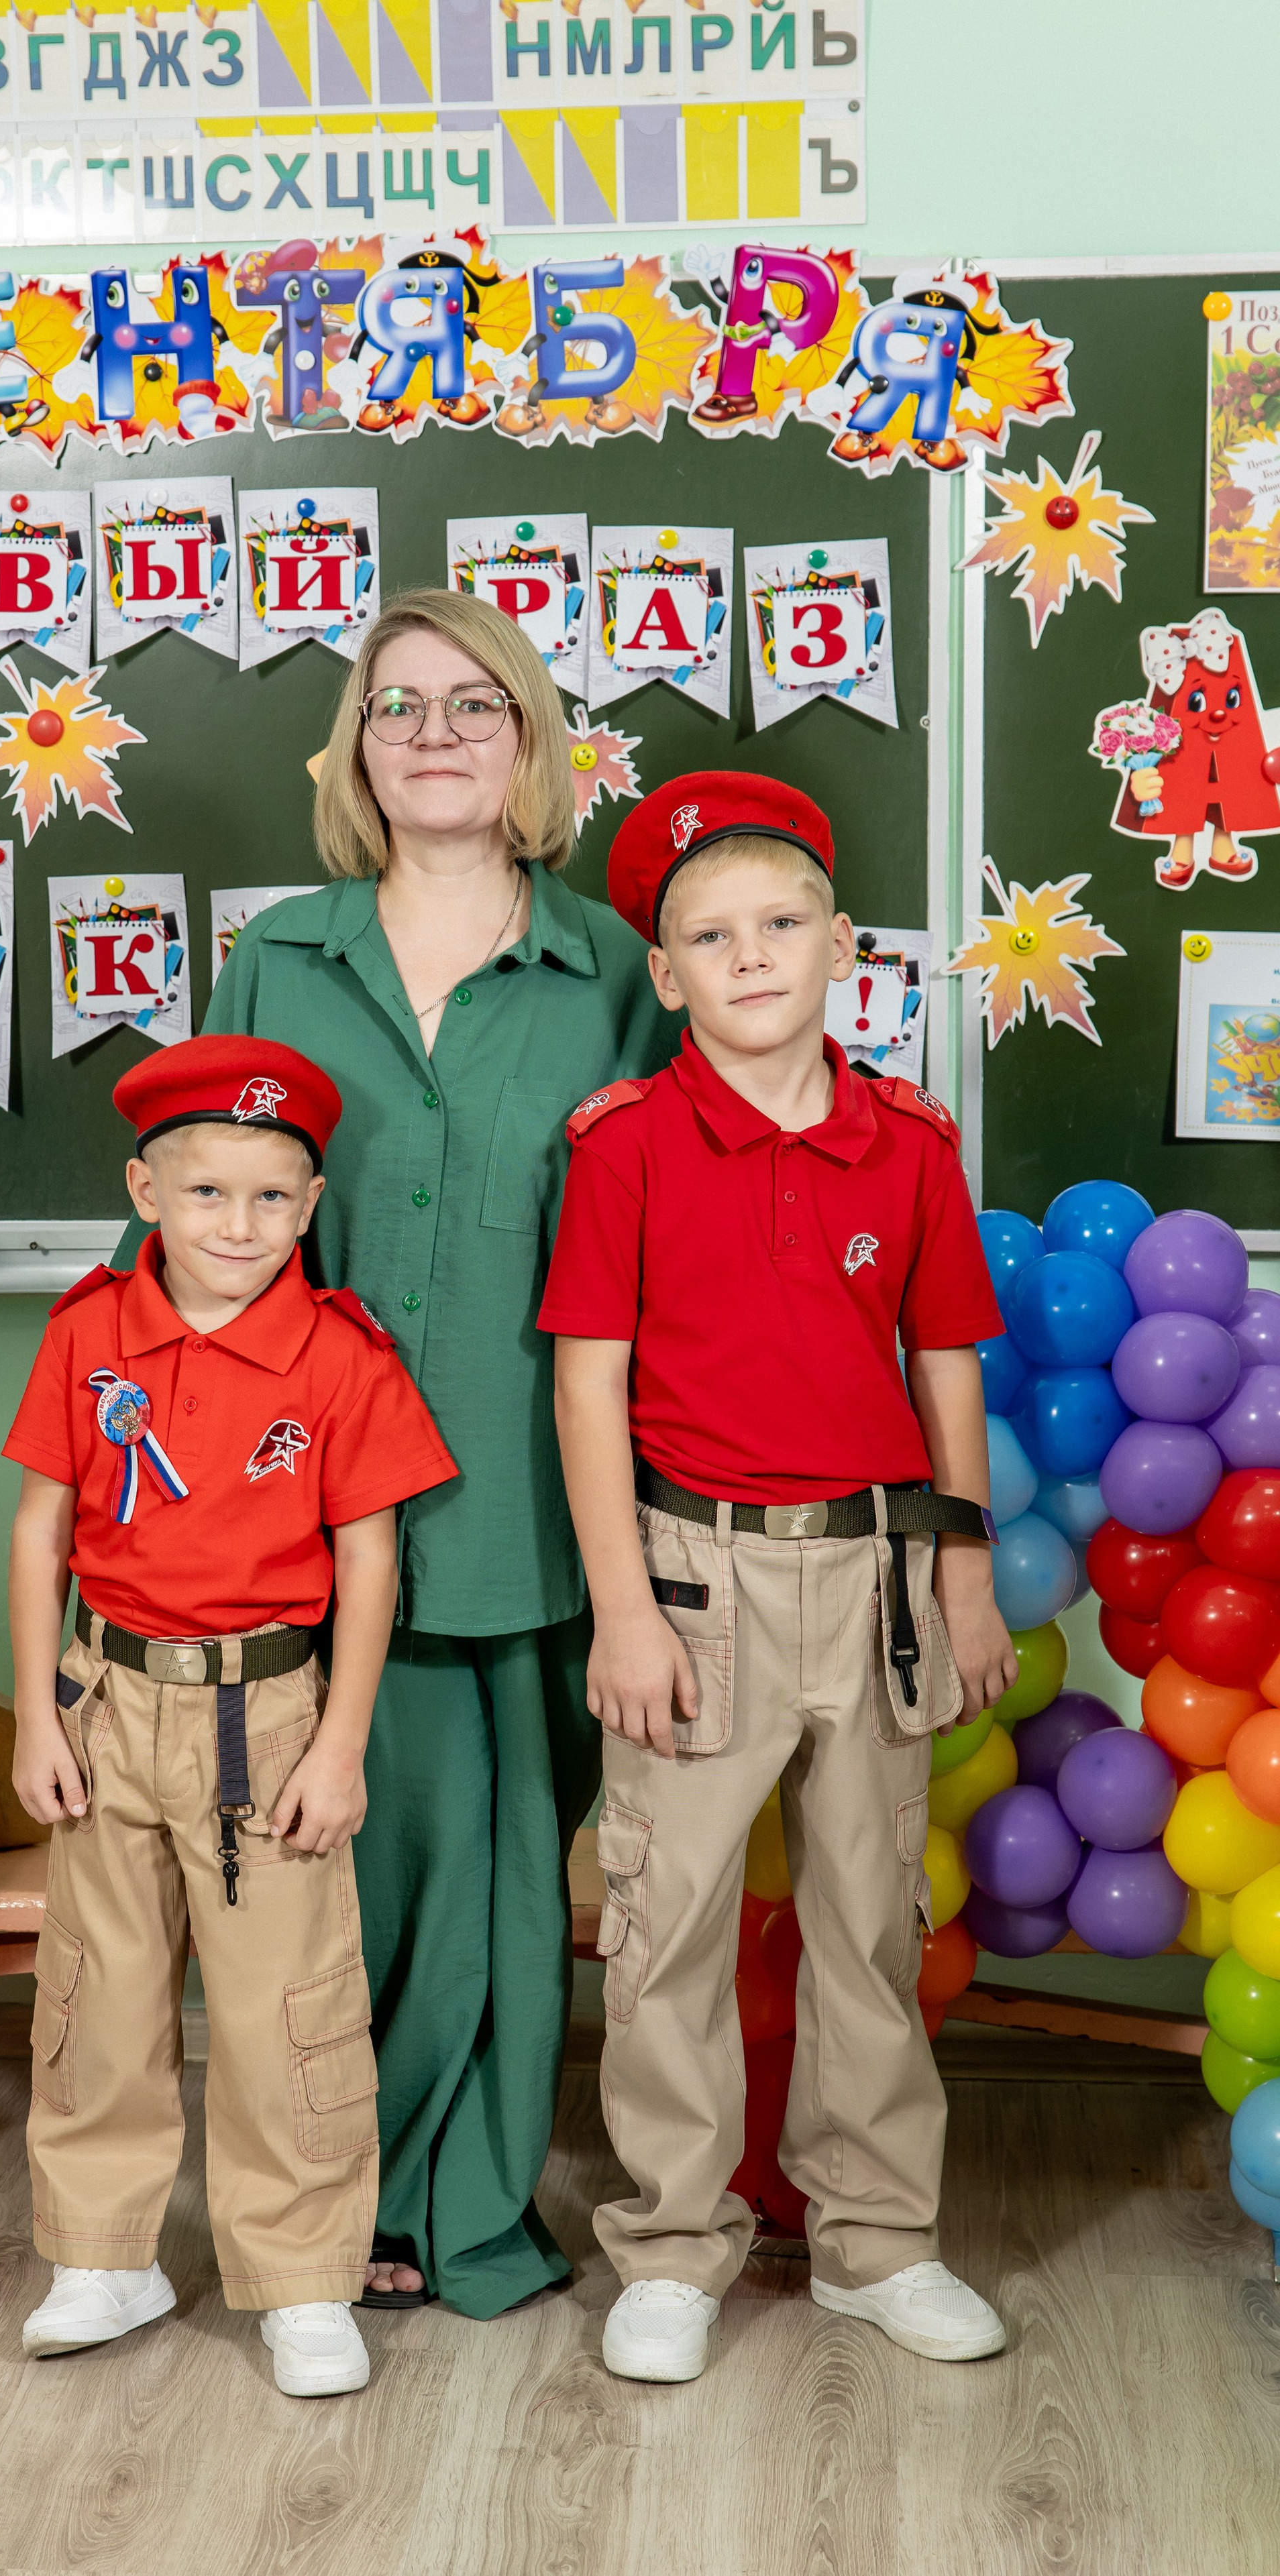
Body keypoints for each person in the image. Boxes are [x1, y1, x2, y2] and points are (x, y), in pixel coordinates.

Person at [115, 589, 674, 2316]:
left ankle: (458, 2209)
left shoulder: (608, 971)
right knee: (325, 1868)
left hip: (532, 1479)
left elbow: (674, 1223)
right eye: (393, 707)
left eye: (471, 705)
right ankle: (323, 2210)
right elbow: (208, 1226)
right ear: (354, 748)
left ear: (529, 743)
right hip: (292, 1497)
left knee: (506, 1872)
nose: (430, 734)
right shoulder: (279, 954)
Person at [540, 771, 1017, 2382]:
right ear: (662, 973)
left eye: (780, 923)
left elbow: (944, 1362)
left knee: (867, 1915)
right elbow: (586, 1385)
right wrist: (618, 1606)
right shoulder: (623, 1147)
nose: (749, 957)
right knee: (663, 1923)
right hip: (689, 1575)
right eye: (706, 936)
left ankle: (874, 2238)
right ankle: (672, 2245)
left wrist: (962, 1574)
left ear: (839, 945)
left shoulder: (906, 1143)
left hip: (875, 1566)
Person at [5, 1035, 456, 2396]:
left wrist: (337, 1742)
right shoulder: (86, 1331)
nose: (237, 1226)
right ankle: (104, 2253)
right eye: (206, 1193)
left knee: (283, 2008)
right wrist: (37, 1713)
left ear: (310, 1205)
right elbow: (42, 1532)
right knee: (98, 1987)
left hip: (262, 1716)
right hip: (104, 1699)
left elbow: (371, 1557)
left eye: (271, 1198)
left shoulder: (338, 1353)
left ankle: (301, 2274)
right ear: (145, 1191)